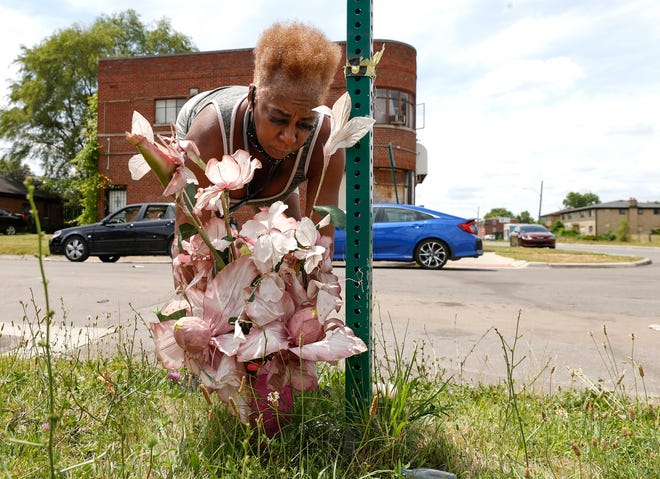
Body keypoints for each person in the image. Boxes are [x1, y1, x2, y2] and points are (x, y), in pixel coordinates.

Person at [175, 21, 344, 232]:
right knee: (207, 241)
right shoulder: (207, 134)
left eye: (304, 124)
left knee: (291, 242)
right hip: (209, 130)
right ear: (253, 97)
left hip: (273, 170)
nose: (289, 137)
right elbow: (187, 239)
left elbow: (322, 240)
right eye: (278, 119)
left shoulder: (325, 141)